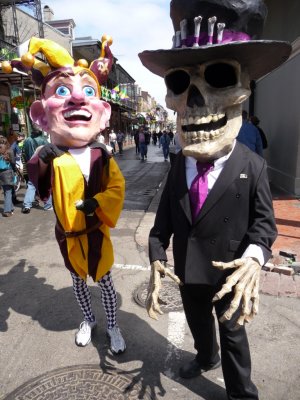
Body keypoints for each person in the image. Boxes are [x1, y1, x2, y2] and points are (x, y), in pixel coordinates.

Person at [139, 0, 291, 399]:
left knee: (234, 334)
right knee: (199, 324)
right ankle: (205, 357)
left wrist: (254, 260)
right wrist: (157, 256)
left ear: (243, 93)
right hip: (190, 269)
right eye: (180, 85)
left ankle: (242, 391)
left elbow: (264, 225)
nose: (193, 103)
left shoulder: (252, 166)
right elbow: (163, 224)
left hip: (230, 269)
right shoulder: (177, 166)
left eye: (220, 78)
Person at [15, 35, 126, 354]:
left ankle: (114, 326)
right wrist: (41, 161)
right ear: (43, 113)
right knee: (78, 283)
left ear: (101, 112)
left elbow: (117, 187)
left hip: (95, 233)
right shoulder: (52, 154)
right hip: (67, 234)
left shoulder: (101, 155)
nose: (76, 100)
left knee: (105, 283)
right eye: (62, 91)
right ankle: (88, 321)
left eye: (87, 92)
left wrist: (98, 202)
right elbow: (41, 188)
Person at [21, 126, 53, 213]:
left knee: (31, 185)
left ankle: (27, 205)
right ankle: (48, 205)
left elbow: (23, 153)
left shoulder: (27, 140)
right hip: (42, 164)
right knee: (46, 183)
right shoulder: (44, 141)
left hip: (31, 164)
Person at [0, 135, 15, 217]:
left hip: (0, 173)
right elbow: (13, 162)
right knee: (8, 192)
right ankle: (7, 211)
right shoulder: (9, 150)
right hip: (8, 172)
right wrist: (15, 171)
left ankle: (10, 207)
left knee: (6, 191)